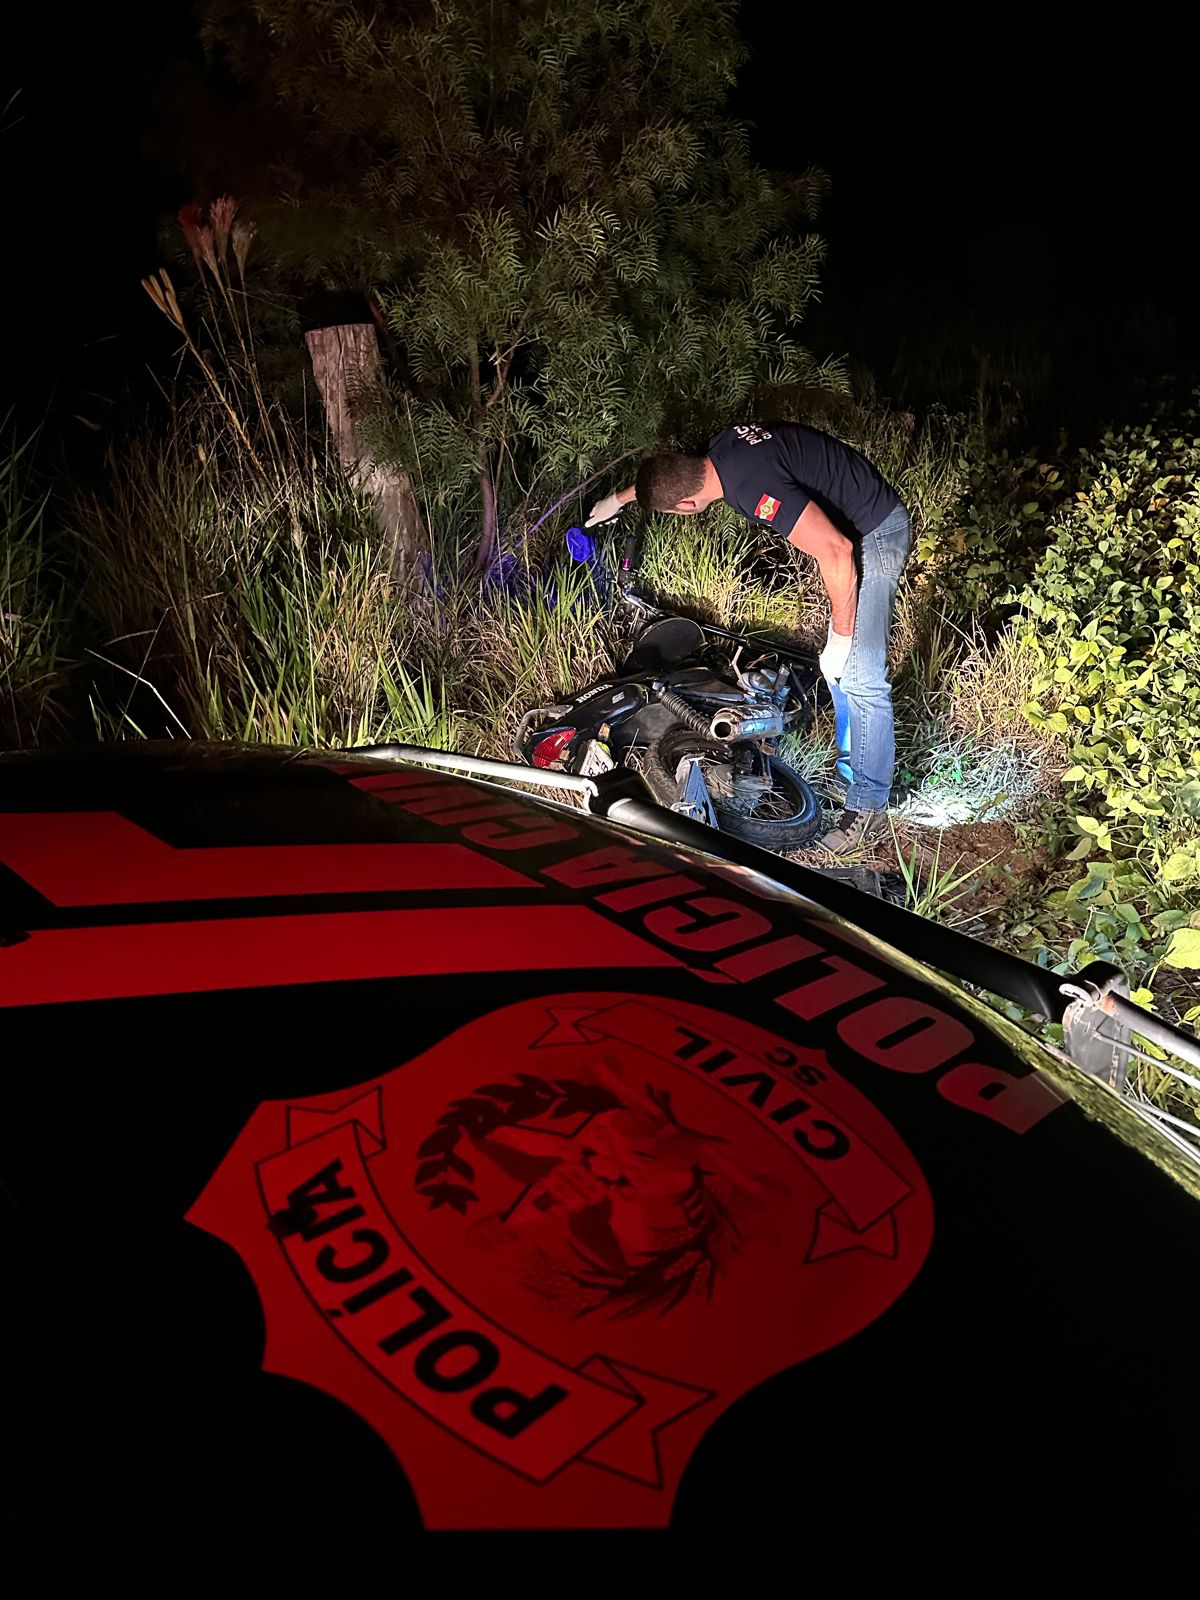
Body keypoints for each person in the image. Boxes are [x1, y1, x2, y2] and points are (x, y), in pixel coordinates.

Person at [585, 421, 910, 853]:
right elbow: (668, 476)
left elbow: (836, 551)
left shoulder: (752, 490)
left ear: (686, 506)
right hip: (852, 522)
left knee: (861, 674)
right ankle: (851, 772)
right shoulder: (718, 448)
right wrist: (619, 498)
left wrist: (843, 635)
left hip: (875, 532)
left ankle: (867, 806)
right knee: (840, 673)